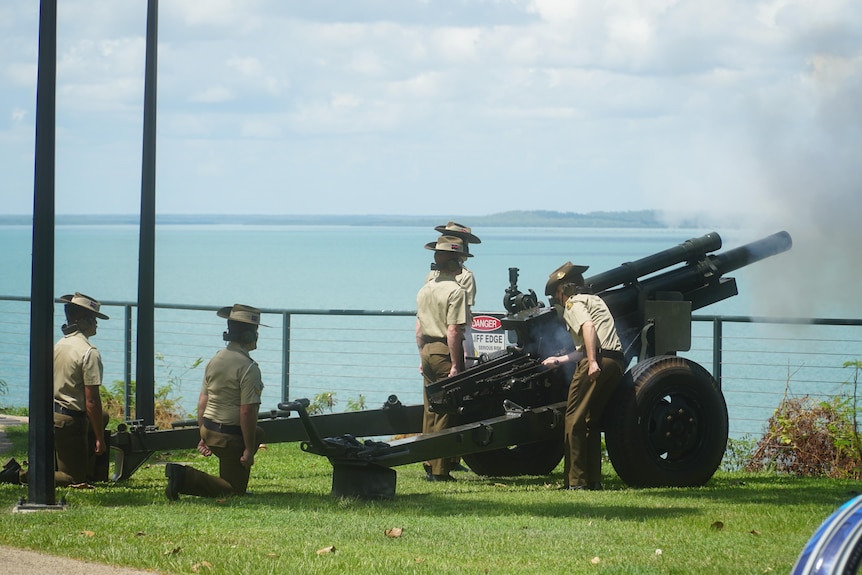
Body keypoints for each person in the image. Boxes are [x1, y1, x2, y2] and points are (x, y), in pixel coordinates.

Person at [1, 292, 110, 487]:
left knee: (103, 416)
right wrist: (100, 438)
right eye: (93, 319)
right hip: (71, 422)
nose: (96, 324)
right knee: (72, 479)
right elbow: (91, 401)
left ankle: (87, 467)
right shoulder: (88, 351)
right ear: (81, 320)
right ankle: (18, 475)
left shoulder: (60, 344)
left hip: (53, 416)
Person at [165, 304, 266, 500]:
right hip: (229, 436)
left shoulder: (215, 360)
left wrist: (202, 433)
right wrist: (248, 449)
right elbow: (247, 412)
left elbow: (203, 401)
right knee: (233, 492)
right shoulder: (249, 367)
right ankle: (183, 476)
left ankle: (232, 475)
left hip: (209, 429)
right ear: (249, 336)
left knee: (259, 433)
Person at [541, 263, 625, 491]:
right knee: (590, 420)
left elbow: (588, 328)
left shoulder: (573, 303)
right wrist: (558, 361)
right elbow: (586, 344)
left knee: (573, 419)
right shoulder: (595, 300)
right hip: (615, 362)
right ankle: (593, 480)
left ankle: (575, 481)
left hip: (596, 361)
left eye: (557, 294)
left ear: (564, 290)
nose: (557, 299)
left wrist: (593, 362)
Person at [416, 235, 471, 482]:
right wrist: (457, 365)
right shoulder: (455, 291)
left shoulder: (425, 289)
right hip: (443, 351)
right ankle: (440, 470)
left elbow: (418, 329)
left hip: (426, 350)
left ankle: (428, 461)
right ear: (455, 263)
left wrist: (421, 357)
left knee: (430, 408)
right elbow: (453, 331)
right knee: (446, 408)